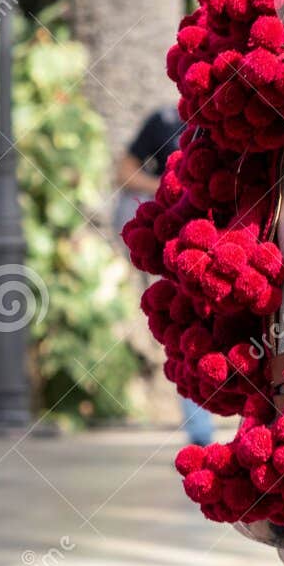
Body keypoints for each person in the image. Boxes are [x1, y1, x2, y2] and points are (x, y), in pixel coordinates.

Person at [115, 104, 213, 447]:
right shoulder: (164, 121)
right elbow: (125, 171)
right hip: (176, 246)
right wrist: (167, 184)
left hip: (226, 238)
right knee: (185, 329)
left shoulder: (223, 118)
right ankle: (200, 430)